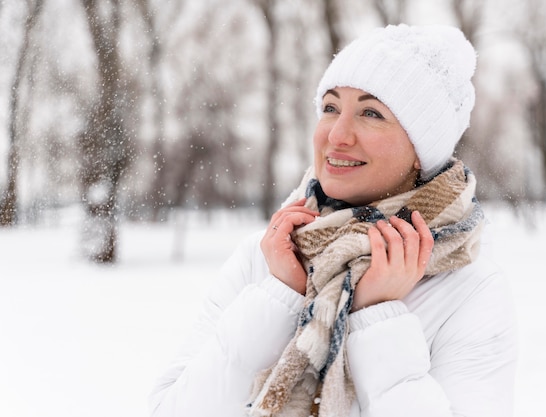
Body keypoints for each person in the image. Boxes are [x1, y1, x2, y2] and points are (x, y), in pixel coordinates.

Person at [148, 23, 517, 417]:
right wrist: (279, 297)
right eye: (330, 108)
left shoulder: (470, 289)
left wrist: (377, 317)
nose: (337, 135)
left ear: (421, 151)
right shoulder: (266, 257)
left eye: (371, 113)